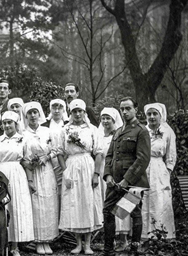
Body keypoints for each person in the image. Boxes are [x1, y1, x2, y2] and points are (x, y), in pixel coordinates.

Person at [102, 97, 150, 256]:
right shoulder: (117, 131)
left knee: (134, 213)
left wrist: (126, 181)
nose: (124, 112)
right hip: (114, 182)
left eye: (128, 108)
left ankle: (134, 249)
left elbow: (143, 159)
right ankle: (108, 249)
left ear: (136, 109)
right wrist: (108, 175)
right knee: (108, 211)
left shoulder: (141, 131)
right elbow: (109, 156)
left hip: (132, 182)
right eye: (122, 109)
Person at [57, 99, 103, 255]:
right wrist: (65, 173)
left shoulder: (92, 129)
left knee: (87, 201)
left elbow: (98, 153)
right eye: (74, 111)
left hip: (88, 166)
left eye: (80, 111)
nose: (77, 114)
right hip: (71, 166)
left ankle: (88, 244)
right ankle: (78, 244)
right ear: (70, 113)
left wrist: (96, 174)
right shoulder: (65, 130)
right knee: (74, 202)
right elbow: (60, 154)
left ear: (84, 112)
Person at [0, 111, 35, 255]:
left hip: (17, 174)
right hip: (1, 172)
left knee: (16, 207)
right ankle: (2, 244)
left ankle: (15, 246)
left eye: (10, 122)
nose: (7, 125)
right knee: (3, 206)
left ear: (16, 124)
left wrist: (30, 180)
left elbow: (27, 161)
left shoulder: (23, 139)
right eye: (4, 123)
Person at [21, 102, 60, 254]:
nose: (32, 116)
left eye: (35, 112)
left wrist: (47, 156)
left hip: (47, 170)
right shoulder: (23, 134)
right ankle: (38, 241)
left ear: (39, 114)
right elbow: (21, 155)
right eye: (29, 113)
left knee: (49, 203)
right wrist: (30, 162)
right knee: (36, 204)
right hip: (32, 172)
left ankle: (48, 240)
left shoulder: (47, 131)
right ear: (26, 116)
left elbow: (57, 148)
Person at [95, 108, 130, 250]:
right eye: (103, 118)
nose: (105, 121)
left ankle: (124, 238)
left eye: (108, 118)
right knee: (107, 206)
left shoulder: (119, 135)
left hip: (117, 171)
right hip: (105, 171)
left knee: (121, 204)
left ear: (114, 120)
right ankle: (110, 239)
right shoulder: (99, 136)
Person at [141, 103, 176, 240]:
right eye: (149, 114)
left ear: (161, 115)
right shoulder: (142, 131)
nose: (152, 117)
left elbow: (171, 154)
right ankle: (143, 237)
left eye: (155, 113)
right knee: (143, 200)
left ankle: (161, 236)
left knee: (160, 200)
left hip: (159, 169)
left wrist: (167, 171)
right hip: (143, 167)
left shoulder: (167, 132)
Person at [41, 99, 69, 205]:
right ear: (50, 109)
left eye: (60, 108)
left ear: (64, 110)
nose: (57, 111)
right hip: (49, 161)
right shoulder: (44, 125)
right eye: (54, 108)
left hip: (65, 161)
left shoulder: (68, 124)